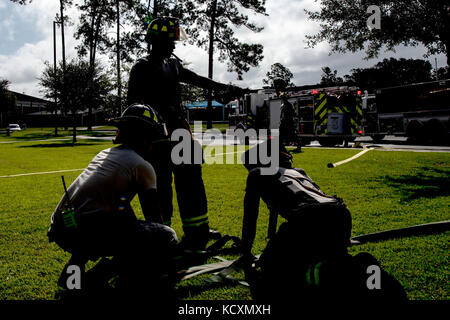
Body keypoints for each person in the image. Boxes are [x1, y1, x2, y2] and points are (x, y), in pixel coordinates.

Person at [127, 16, 244, 251]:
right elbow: (132, 106)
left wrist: (228, 89)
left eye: (174, 40)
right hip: (156, 135)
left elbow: (199, 80)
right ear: (156, 40)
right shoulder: (142, 67)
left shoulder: (173, 65)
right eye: (170, 40)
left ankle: (197, 229)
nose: (173, 45)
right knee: (160, 186)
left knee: (192, 181)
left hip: (180, 131)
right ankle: (162, 233)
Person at [240, 141, 406, 301]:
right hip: (339, 213)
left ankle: (356, 272)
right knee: (330, 258)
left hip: (307, 218)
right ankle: (364, 269)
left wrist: (246, 252)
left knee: (270, 273)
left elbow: (250, 217)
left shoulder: (256, 174)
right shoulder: (300, 172)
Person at [47, 104, 178, 296]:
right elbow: (153, 217)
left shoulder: (105, 154)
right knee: (166, 236)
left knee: (108, 228)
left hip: (62, 229)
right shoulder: (142, 166)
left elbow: (118, 208)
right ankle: (96, 279)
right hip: (86, 232)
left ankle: (71, 277)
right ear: (146, 137)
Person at [273, 78, 302, 151]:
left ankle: (298, 145)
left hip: (288, 122)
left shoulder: (288, 105)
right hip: (284, 122)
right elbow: (282, 114)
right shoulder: (283, 105)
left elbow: (292, 113)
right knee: (281, 135)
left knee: (292, 135)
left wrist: (296, 116)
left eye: (283, 97)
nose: (282, 98)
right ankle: (280, 147)